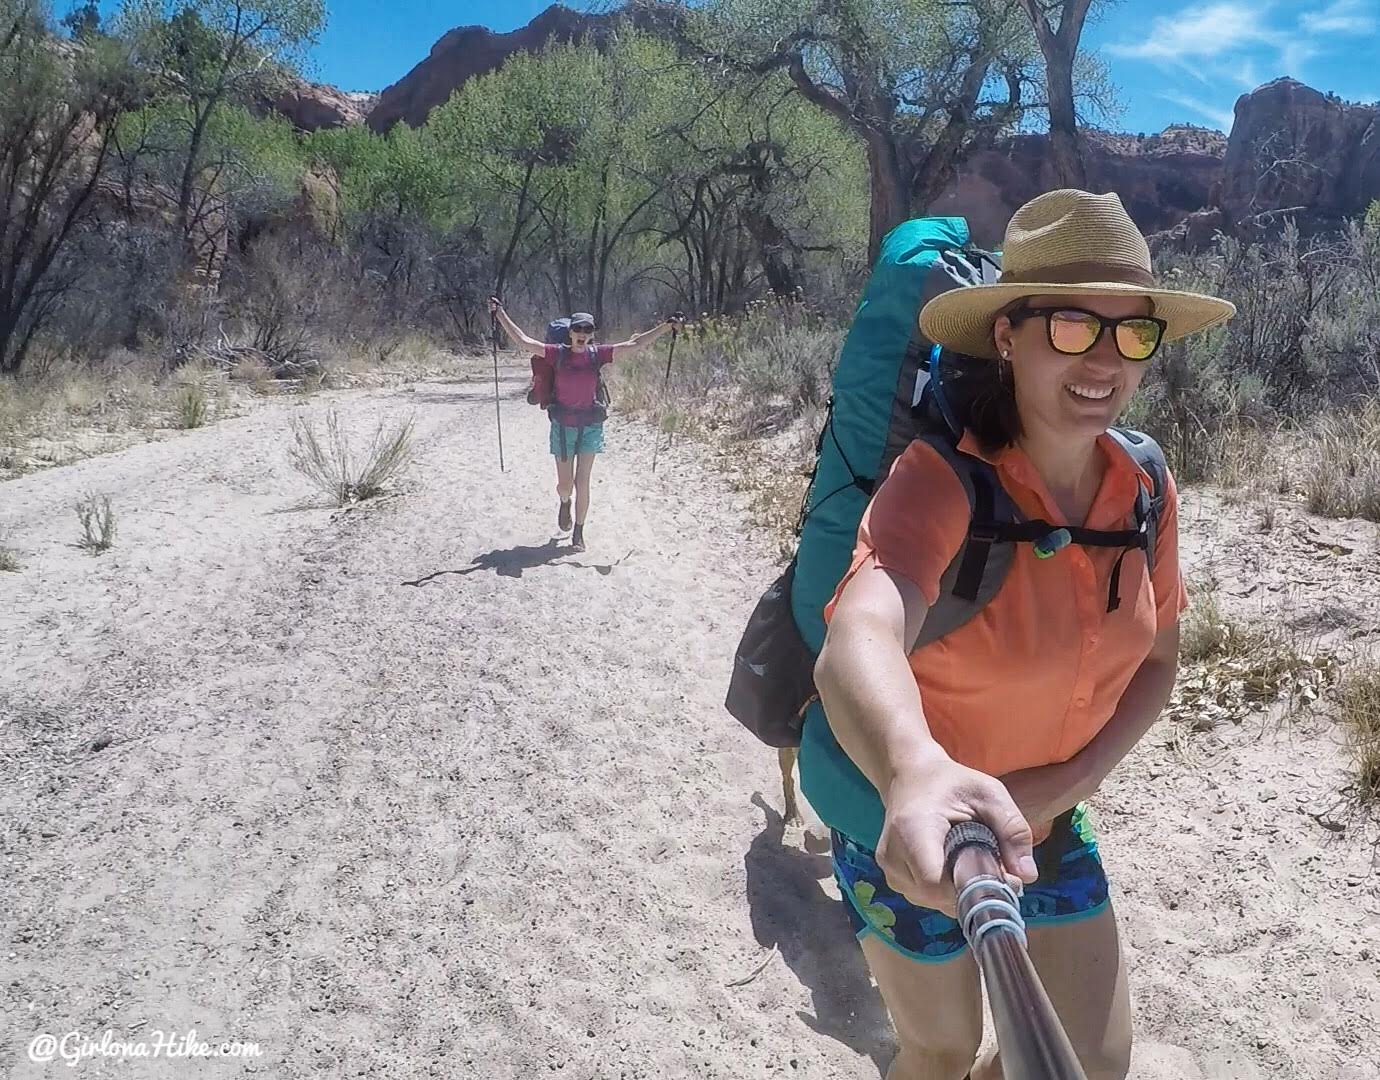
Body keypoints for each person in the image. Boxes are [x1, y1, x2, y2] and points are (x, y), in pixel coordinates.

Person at [810, 189, 1235, 1080]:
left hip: (1044, 819)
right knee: (942, 1047)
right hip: (909, 816)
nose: (1107, 360)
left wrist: (1070, 782)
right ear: (1007, 336)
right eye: (1075, 327)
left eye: (1132, 333)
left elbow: (1159, 661)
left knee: (1091, 1058)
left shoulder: (1145, 484)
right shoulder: (940, 480)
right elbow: (861, 628)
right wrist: (914, 769)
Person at [488, 300, 682, 551]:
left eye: (587, 330)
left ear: (592, 334)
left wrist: (666, 327)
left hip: (590, 425)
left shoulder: (597, 354)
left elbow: (635, 344)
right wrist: (500, 313)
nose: (582, 334)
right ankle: (564, 502)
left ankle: (578, 533)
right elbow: (524, 341)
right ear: (570, 332)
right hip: (563, 425)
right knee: (565, 485)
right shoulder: (556, 353)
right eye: (578, 329)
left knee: (583, 482)